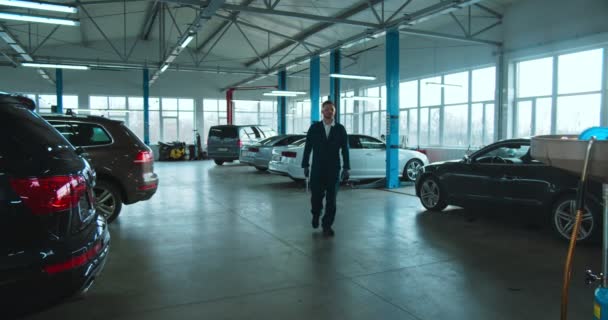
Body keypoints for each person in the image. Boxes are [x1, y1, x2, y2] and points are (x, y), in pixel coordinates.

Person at [301, 100, 350, 237]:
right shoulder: (314, 128)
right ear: (322, 111)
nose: (329, 111)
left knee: (331, 199)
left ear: (334, 112)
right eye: (327, 109)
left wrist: (346, 167)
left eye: (332, 110)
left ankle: (327, 225)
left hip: (333, 169)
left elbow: (345, 149)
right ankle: (316, 214)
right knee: (316, 197)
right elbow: (308, 147)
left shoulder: (340, 129)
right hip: (317, 169)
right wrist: (305, 164)